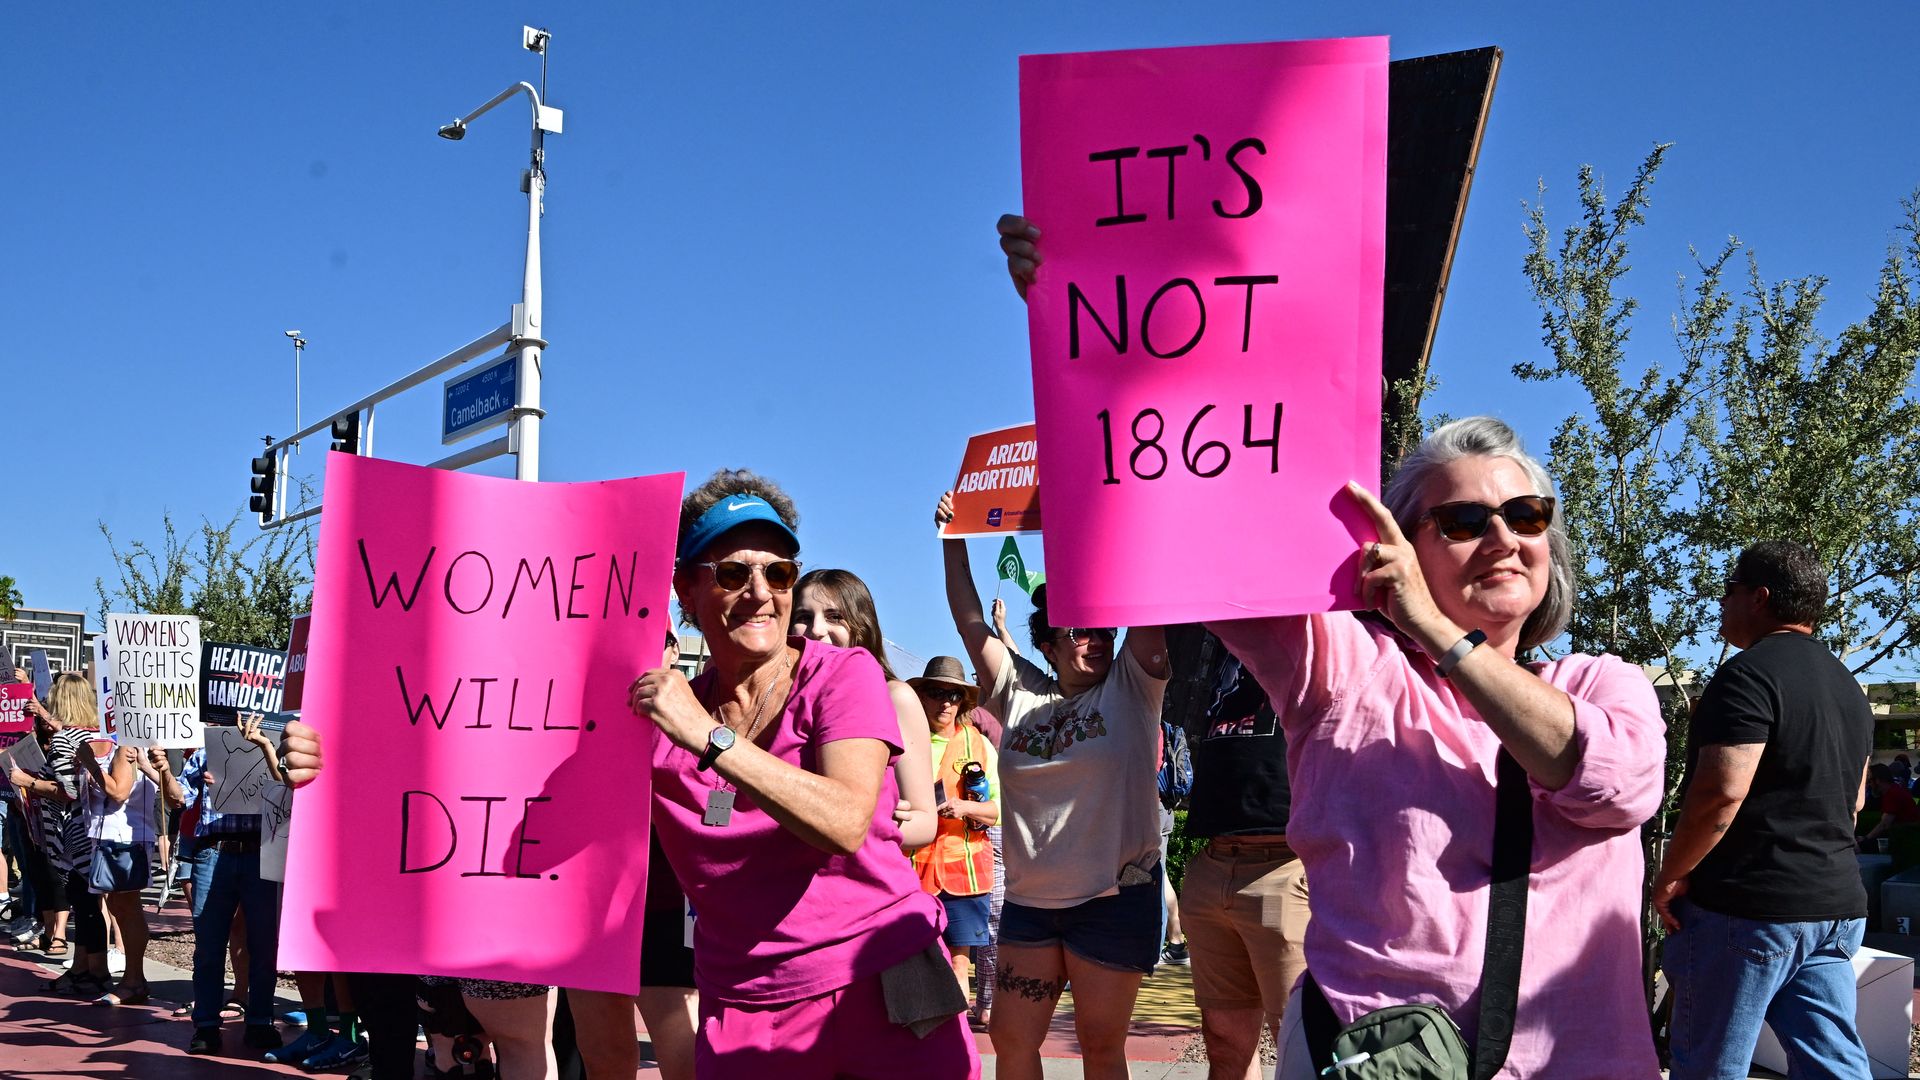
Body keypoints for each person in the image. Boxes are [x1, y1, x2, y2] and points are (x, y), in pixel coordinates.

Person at [999, 214, 1667, 1077]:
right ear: (1399, 541)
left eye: (1525, 514)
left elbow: (1612, 788)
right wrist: (1086, 314)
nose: (1502, 535)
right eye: (1463, 520)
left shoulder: (1606, 684)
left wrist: (1443, 632)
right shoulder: (1345, 668)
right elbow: (1190, 519)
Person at [630, 470, 977, 1079]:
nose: (761, 593)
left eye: (779, 572)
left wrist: (708, 736)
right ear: (686, 588)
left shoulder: (842, 675)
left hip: (885, 980)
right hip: (745, 1002)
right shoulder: (659, 714)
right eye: (733, 573)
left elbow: (844, 820)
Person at [936, 493, 1170, 1080]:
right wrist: (954, 538)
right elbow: (968, 620)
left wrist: (1132, 506)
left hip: (1112, 900)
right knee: (1013, 1041)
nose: (1093, 641)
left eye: (1099, 629)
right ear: (1047, 642)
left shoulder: (1132, 684)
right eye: (1076, 631)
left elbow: (1150, 592)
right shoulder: (1018, 690)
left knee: (1099, 1044)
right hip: (1031, 905)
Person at [1654, 540, 1874, 1078]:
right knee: (1833, 1063)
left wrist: (1671, 875)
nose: (1721, 605)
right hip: (1835, 907)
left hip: (1749, 910)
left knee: (1709, 1064)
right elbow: (1856, 803)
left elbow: (1721, 794)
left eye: (1728, 592)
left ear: (1760, 597)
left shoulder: (1747, 676)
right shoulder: (1850, 688)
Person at [1159, 625, 1308, 1080]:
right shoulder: (1224, 639)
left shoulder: (1323, 634)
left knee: (1303, 1047)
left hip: (1289, 865)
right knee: (1224, 1041)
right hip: (1213, 862)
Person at [156, 722, 285, 1055]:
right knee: (209, 945)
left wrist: (265, 750)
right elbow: (178, 798)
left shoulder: (269, 748)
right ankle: (207, 1025)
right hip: (214, 852)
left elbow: (286, 791)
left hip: (259, 852)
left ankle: (259, 1022)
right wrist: (162, 772)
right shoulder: (204, 753)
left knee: (263, 943)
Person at [790, 568, 938, 849]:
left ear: (862, 625)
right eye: (803, 617)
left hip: (857, 883)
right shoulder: (775, 699)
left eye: (835, 617)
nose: (817, 630)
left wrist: (864, 819)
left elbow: (924, 823)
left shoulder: (896, 697)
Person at [906, 656, 1000, 1009]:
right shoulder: (901, 742)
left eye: (954, 694)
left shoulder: (979, 744)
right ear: (921, 696)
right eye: (936, 692)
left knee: (959, 962)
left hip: (965, 875)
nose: (945, 702)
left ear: (963, 701)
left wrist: (966, 807)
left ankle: (954, 1047)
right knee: (914, 963)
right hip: (911, 875)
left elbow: (997, 811)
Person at [1860, 763, 1920, 850]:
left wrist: (1865, 839)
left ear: (1877, 780)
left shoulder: (1892, 794)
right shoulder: (1893, 790)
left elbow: (1884, 824)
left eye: (1869, 781)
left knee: (1859, 847)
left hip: (1907, 838)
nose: (1869, 785)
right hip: (1905, 835)